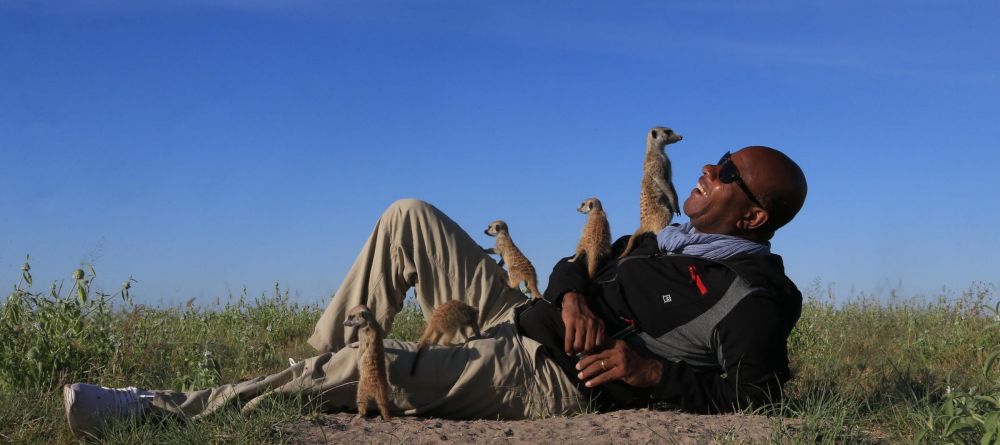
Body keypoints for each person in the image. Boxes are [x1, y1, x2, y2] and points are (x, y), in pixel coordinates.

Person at [63, 145, 807, 437]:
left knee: (371, 365)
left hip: (547, 372)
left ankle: (151, 411)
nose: (705, 171)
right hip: (528, 312)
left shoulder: (755, 295)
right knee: (408, 216)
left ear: (753, 216)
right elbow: (576, 263)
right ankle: (311, 366)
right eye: (714, 159)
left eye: (726, 173)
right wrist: (571, 291)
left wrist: (648, 373)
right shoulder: (664, 239)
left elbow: (758, 392)